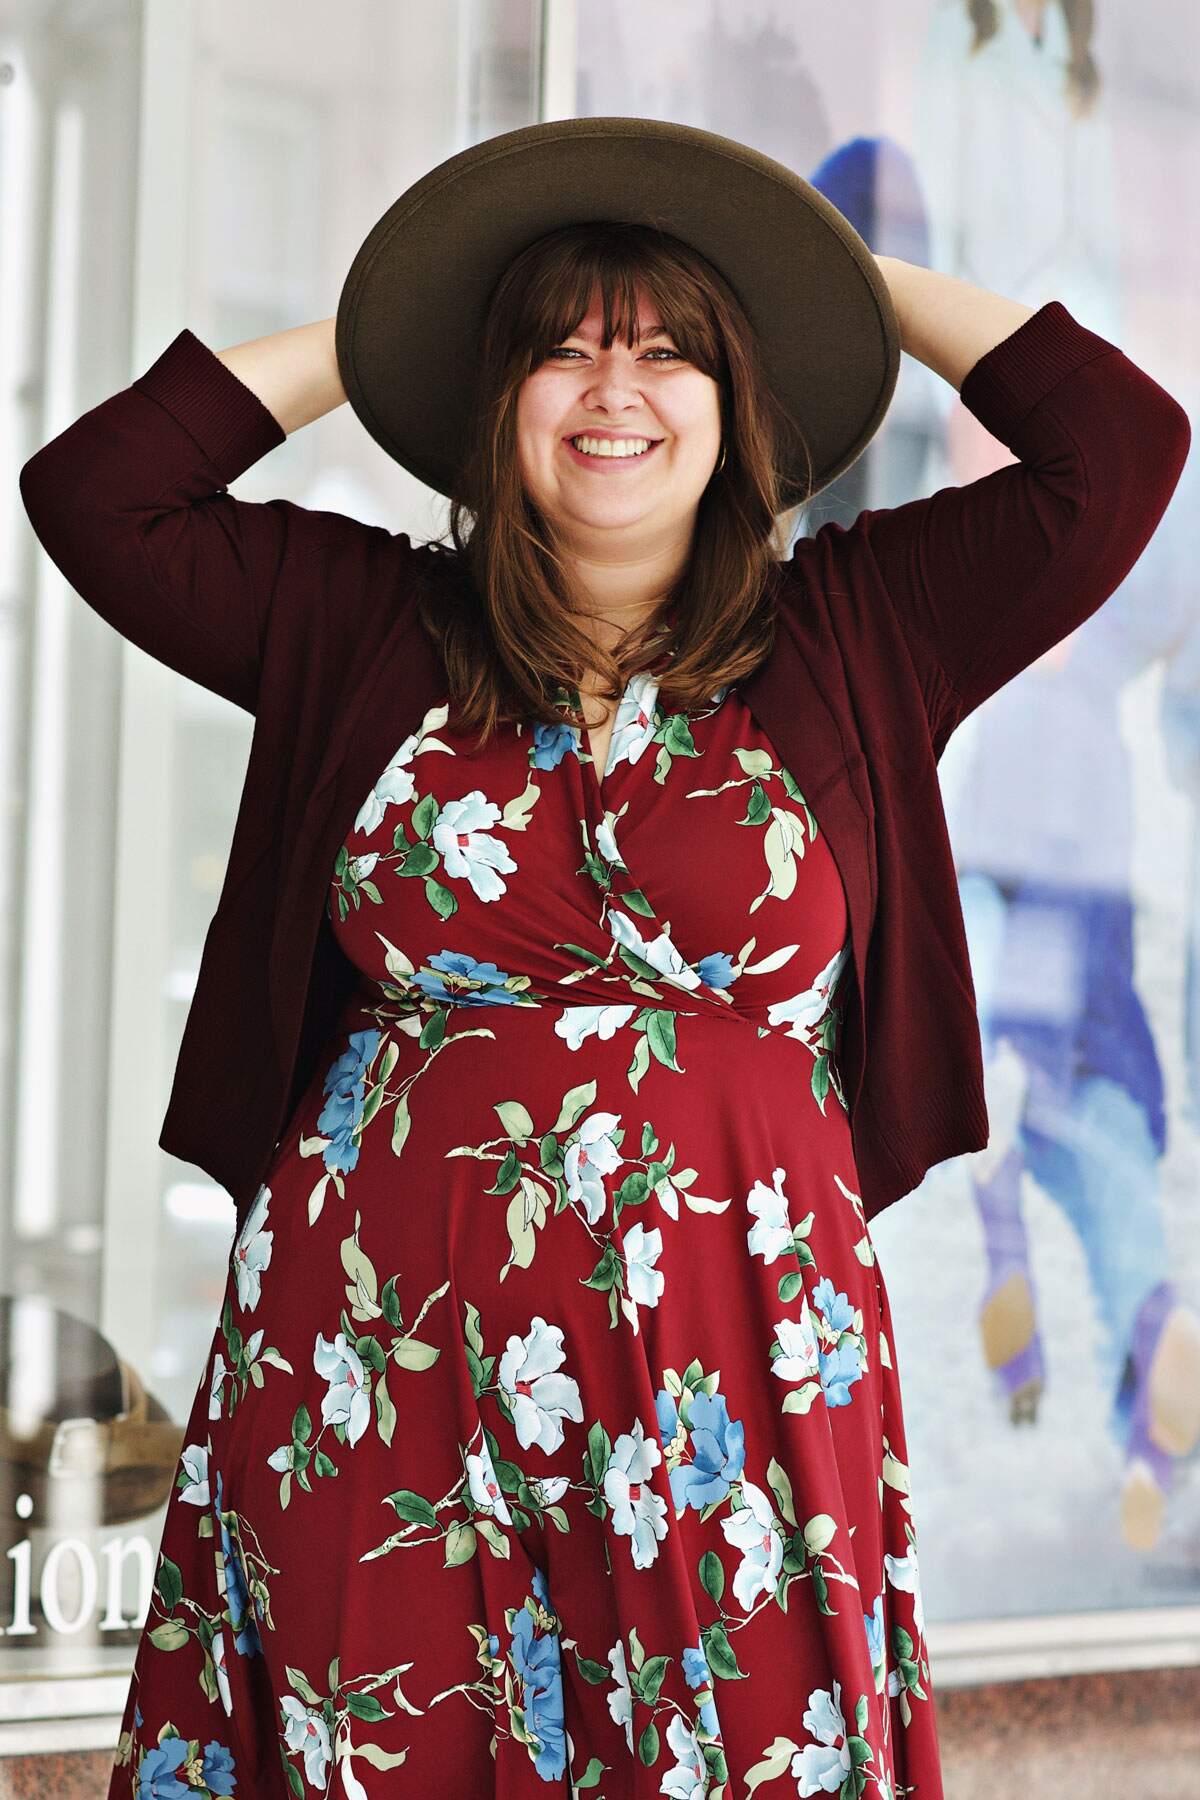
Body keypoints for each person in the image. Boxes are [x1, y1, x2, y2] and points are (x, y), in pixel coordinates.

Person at [19, 119, 1189, 1800]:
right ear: (499, 409)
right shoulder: (360, 619)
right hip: (377, 1352)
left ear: (740, 406)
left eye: (669, 353)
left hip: (741, 1363)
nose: (614, 391)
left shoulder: (862, 626)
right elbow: (97, 492)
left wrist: (836, 282)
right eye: (562, 355)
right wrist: (383, 340)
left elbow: (1119, 448)